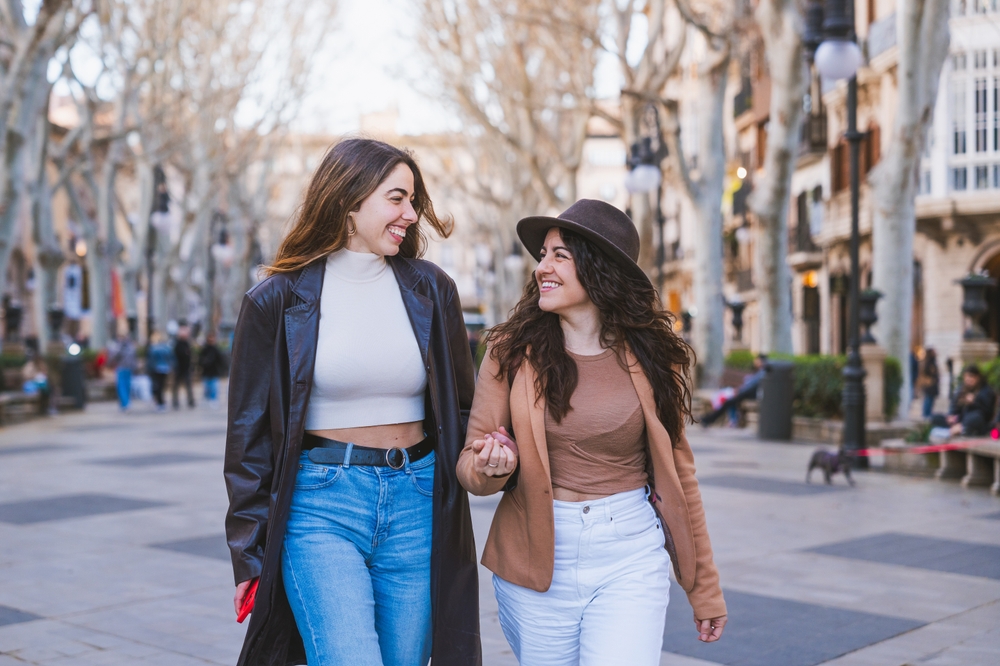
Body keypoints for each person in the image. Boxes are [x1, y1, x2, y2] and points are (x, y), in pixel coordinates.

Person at [224, 138, 480, 666]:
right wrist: (248, 556)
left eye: (413, 200)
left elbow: (462, 409)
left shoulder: (433, 290)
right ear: (349, 199)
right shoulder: (275, 299)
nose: (411, 214)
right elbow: (247, 438)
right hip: (320, 505)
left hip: (418, 501)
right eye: (397, 198)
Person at [457, 200, 726, 666]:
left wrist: (705, 589)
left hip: (630, 553)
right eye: (543, 255)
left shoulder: (653, 358)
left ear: (599, 270)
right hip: (536, 559)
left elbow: (680, 478)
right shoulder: (509, 351)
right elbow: (471, 469)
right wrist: (489, 465)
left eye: (560, 255)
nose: (543, 267)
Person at [700, 353, 767, 427]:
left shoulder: (762, 372)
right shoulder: (760, 371)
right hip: (746, 393)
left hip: (749, 394)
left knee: (729, 401)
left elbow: (751, 386)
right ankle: (712, 419)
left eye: (757, 360)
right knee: (730, 401)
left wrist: (739, 391)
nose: (755, 362)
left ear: (761, 361)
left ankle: (709, 419)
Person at [931, 364, 996, 437]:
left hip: (976, 422)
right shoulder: (961, 389)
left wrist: (974, 402)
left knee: (976, 417)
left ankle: (958, 429)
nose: (968, 379)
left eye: (971, 377)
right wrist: (951, 416)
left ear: (977, 378)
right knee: (935, 417)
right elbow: (954, 406)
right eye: (966, 377)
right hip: (960, 420)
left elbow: (987, 412)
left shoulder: (986, 391)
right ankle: (956, 430)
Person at [108, 333, 137, 411]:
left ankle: (126, 403)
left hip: (124, 368)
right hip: (124, 368)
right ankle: (125, 403)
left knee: (124, 386)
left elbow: (113, 357)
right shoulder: (128, 347)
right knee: (124, 386)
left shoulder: (124, 346)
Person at [146, 333, 174, 412]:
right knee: (161, 385)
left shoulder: (153, 348)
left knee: (157, 386)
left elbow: (150, 360)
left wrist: (149, 369)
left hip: (156, 369)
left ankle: (160, 402)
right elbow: (171, 358)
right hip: (165, 369)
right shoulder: (166, 347)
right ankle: (161, 402)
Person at [171, 326, 195, 409]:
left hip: (186, 368)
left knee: (188, 385)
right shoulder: (177, 344)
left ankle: (191, 401)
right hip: (178, 368)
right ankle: (175, 401)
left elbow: (190, 356)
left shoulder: (187, 343)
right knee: (176, 386)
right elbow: (177, 355)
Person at [198, 334, 224, 408]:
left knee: (214, 388)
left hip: (214, 372)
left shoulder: (216, 349)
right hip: (206, 372)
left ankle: (214, 400)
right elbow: (200, 360)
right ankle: (207, 399)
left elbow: (221, 360)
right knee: (207, 388)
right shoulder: (205, 349)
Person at [919, 348, 940, 419]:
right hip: (930, 385)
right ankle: (926, 415)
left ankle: (927, 415)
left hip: (932, 385)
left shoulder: (931, 362)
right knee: (928, 400)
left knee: (930, 400)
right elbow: (925, 374)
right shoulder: (928, 363)